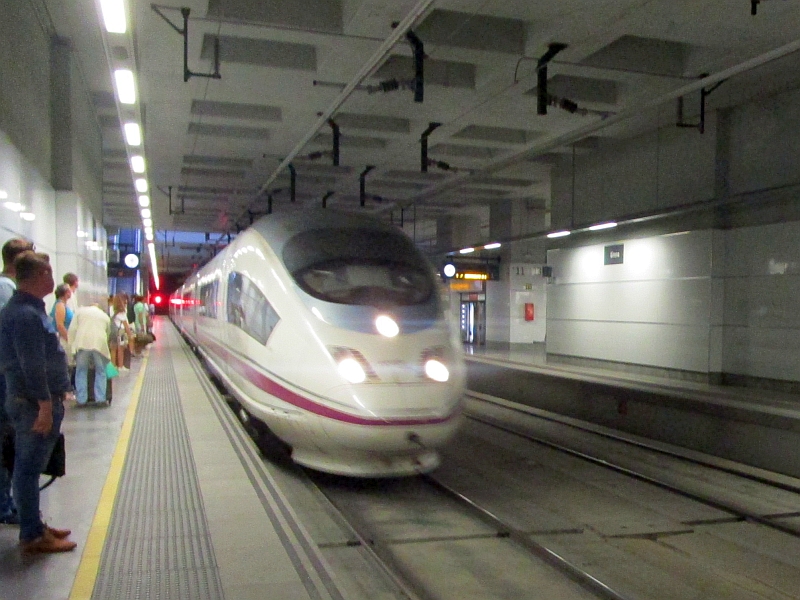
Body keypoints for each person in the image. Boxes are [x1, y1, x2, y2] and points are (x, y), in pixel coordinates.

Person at [0, 251, 76, 553]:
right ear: (36, 276)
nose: (52, 278)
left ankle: (35, 525)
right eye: (48, 273)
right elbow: (31, 366)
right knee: (28, 469)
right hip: (33, 405)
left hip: (32, 401)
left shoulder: (27, 310)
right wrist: (45, 406)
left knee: (28, 467)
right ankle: (32, 534)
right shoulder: (24, 315)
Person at [0, 238, 34, 525]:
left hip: (12, 381)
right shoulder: (6, 292)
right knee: (10, 444)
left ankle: (9, 504)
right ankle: (6, 506)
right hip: (9, 382)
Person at [68, 304, 111, 406]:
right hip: (99, 344)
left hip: (82, 343)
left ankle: (81, 400)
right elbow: (107, 333)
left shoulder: (80, 312)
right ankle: (100, 399)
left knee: (81, 371)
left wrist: (72, 348)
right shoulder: (104, 316)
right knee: (101, 371)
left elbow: (72, 329)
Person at [110, 294, 133, 372]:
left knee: (113, 350)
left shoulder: (111, 309)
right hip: (121, 332)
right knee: (121, 349)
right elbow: (126, 325)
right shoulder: (121, 313)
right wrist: (130, 335)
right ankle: (120, 366)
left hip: (113, 331)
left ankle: (113, 367)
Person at [49, 283, 73, 350]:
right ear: (66, 292)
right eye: (69, 290)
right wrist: (69, 339)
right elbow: (60, 325)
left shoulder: (65, 305)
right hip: (63, 339)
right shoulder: (60, 305)